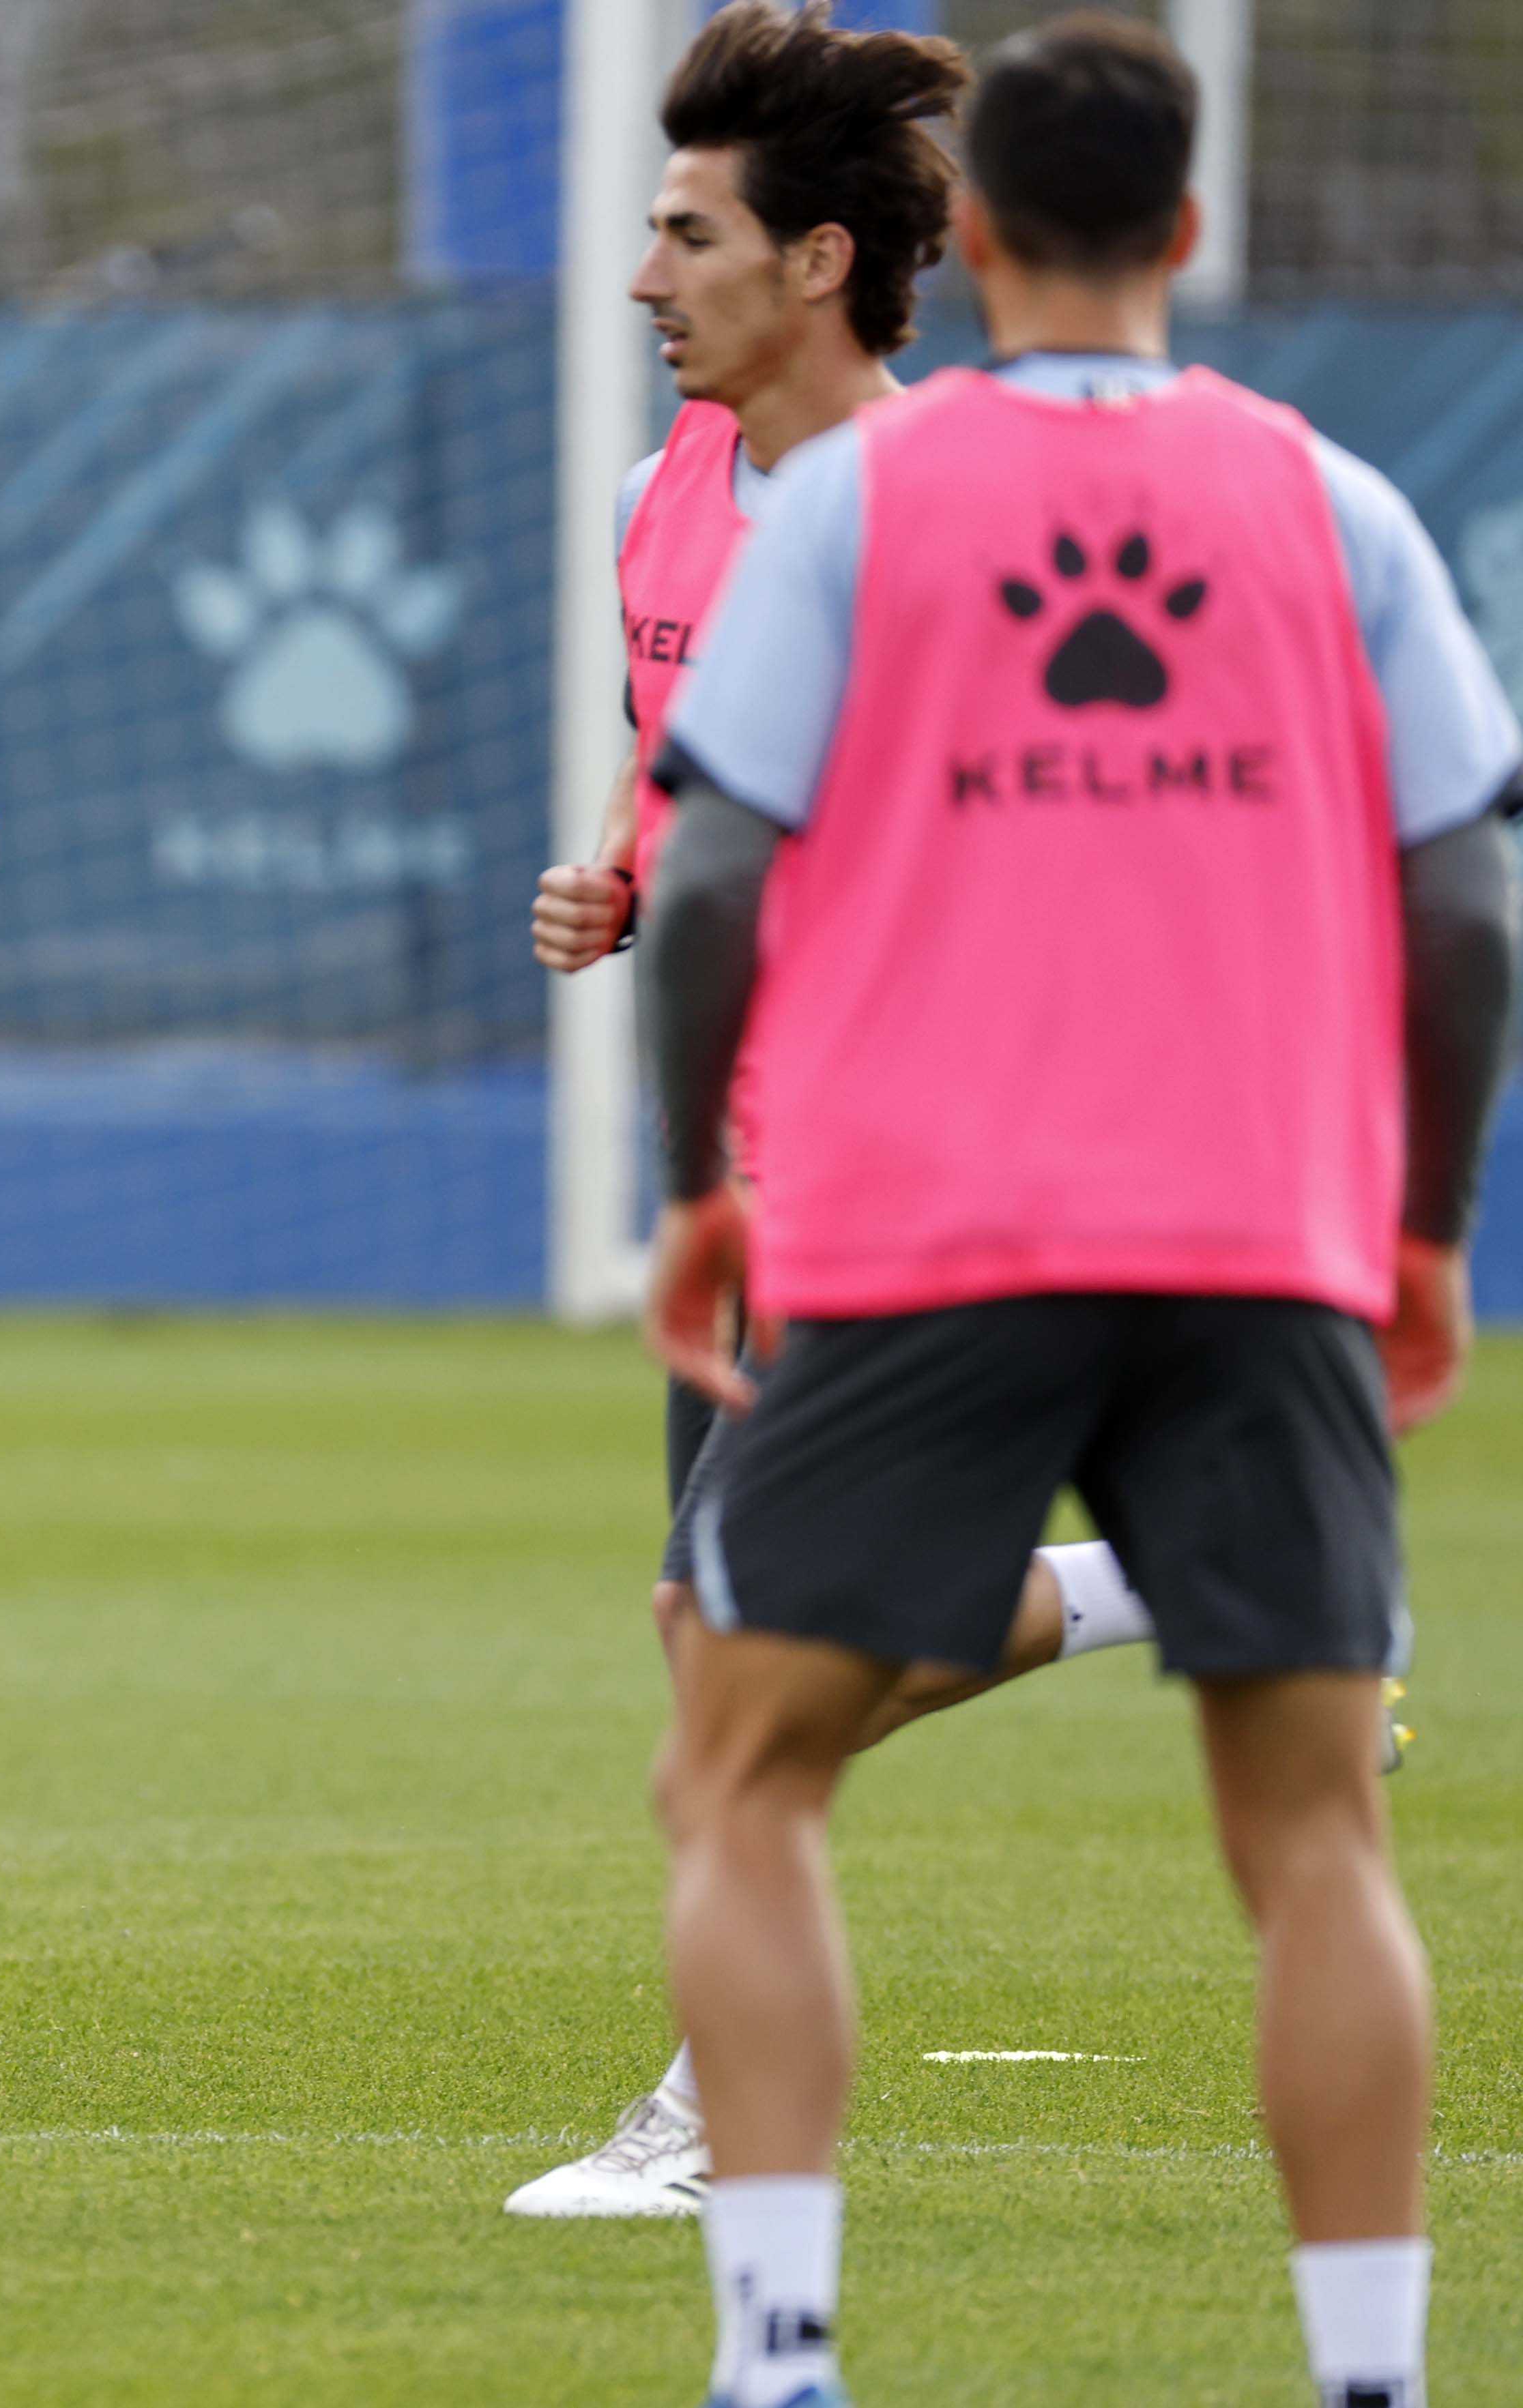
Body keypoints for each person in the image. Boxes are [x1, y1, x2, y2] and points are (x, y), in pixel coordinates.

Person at [638, 17, 1518, 2405]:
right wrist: (1425, 1221)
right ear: (1189, 234)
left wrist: (701, 1182)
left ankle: (782, 2354)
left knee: (741, 1761)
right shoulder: (1334, 502)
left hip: (934, 1234)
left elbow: (708, 875)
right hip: (1260, 1235)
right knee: (1314, 1835)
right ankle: (1371, 2377)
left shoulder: (856, 503)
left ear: (990, 239)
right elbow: (1467, 902)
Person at [512, 0, 1180, 2225]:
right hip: (739, 1163)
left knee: (738, 1656)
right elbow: (687, 769)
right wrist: (617, 873)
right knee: (723, 1638)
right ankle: (1160, 1579)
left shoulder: (963, 515)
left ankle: (718, 2127)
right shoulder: (659, 499)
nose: (642, 281)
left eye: (686, 236)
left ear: (815, 264)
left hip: (908, 1166)